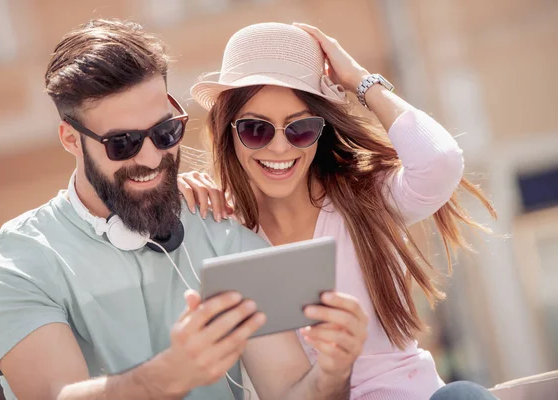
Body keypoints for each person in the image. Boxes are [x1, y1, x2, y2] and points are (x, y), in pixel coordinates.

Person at [0, 19, 369, 400]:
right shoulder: (13, 267)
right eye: (122, 143)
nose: (152, 157)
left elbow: (289, 391)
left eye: (165, 133)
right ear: (71, 139)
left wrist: (333, 374)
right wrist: (171, 374)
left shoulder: (226, 234)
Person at [180, 22, 499, 399]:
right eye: (255, 129)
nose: (280, 148)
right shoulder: (223, 231)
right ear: (227, 130)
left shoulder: (366, 199)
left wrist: (360, 80)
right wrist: (179, 191)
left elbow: (440, 162)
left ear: (323, 129)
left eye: (300, 129)